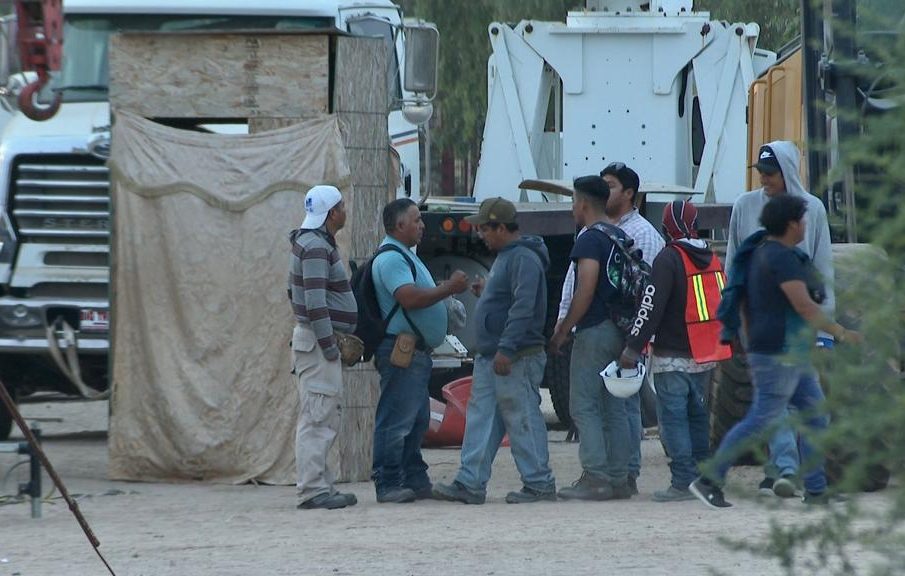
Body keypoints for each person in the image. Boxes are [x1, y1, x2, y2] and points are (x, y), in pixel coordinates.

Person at [689, 194, 860, 509]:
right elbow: (804, 305)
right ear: (792, 223)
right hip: (778, 354)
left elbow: (745, 304)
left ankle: (817, 489)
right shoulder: (779, 258)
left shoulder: (761, 254)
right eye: (803, 220)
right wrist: (841, 332)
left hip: (786, 352)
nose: (806, 225)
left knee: (815, 415)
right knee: (760, 418)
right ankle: (709, 480)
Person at [725, 141, 835, 498]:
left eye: (771, 174)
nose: (765, 180)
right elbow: (733, 265)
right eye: (761, 174)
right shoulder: (745, 206)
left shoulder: (812, 210)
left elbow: (822, 269)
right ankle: (786, 469)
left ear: (788, 172)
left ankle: (796, 474)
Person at [433, 197, 557, 504]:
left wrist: (506, 348)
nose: (480, 235)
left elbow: (524, 306)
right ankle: (469, 482)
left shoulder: (523, 258)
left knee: (522, 417)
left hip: (515, 356)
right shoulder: (508, 255)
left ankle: (539, 483)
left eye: (485, 229)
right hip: (495, 356)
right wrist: (488, 292)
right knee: (482, 418)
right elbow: (511, 299)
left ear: (501, 227)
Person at [618, 200, 731, 502]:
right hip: (705, 354)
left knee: (674, 420)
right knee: (697, 418)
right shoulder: (711, 255)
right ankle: (700, 478)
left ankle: (682, 481)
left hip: (672, 356)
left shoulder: (669, 259)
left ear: (667, 226)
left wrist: (633, 346)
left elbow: (650, 306)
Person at [371, 198, 469, 503]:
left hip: (415, 352)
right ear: (399, 225)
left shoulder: (403, 256)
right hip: (402, 351)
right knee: (396, 420)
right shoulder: (391, 260)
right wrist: (448, 289)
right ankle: (388, 482)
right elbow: (409, 298)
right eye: (416, 220)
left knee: (415, 419)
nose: (422, 225)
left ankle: (414, 478)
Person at [550, 176, 633, 501]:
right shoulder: (619, 235)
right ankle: (619, 478)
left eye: (573, 201)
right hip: (620, 329)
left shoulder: (588, 239)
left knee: (583, 405)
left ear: (583, 204)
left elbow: (585, 289)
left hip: (595, 328)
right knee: (613, 406)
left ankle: (595, 477)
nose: (572, 207)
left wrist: (563, 328)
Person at [289, 185, 359, 510]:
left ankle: (321, 485)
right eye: (342, 206)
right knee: (317, 417)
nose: (345, 211)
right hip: (318, 345)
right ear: (332, 213)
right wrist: (330, 345)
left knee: (322, 414)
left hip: (315, 343)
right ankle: (313, 489)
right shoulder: (316, 247)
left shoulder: (311, 242)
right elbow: (315, 301)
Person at [601, 162, 665, 492]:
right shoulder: (597, 227)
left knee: (625, 404)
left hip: (629, 334)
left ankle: (627, 473)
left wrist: (637, 341)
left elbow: (650, 294)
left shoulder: (643, 235)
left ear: (629, 194)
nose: (603, 191)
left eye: (610, 185)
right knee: (611, 405)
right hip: (605, 329)